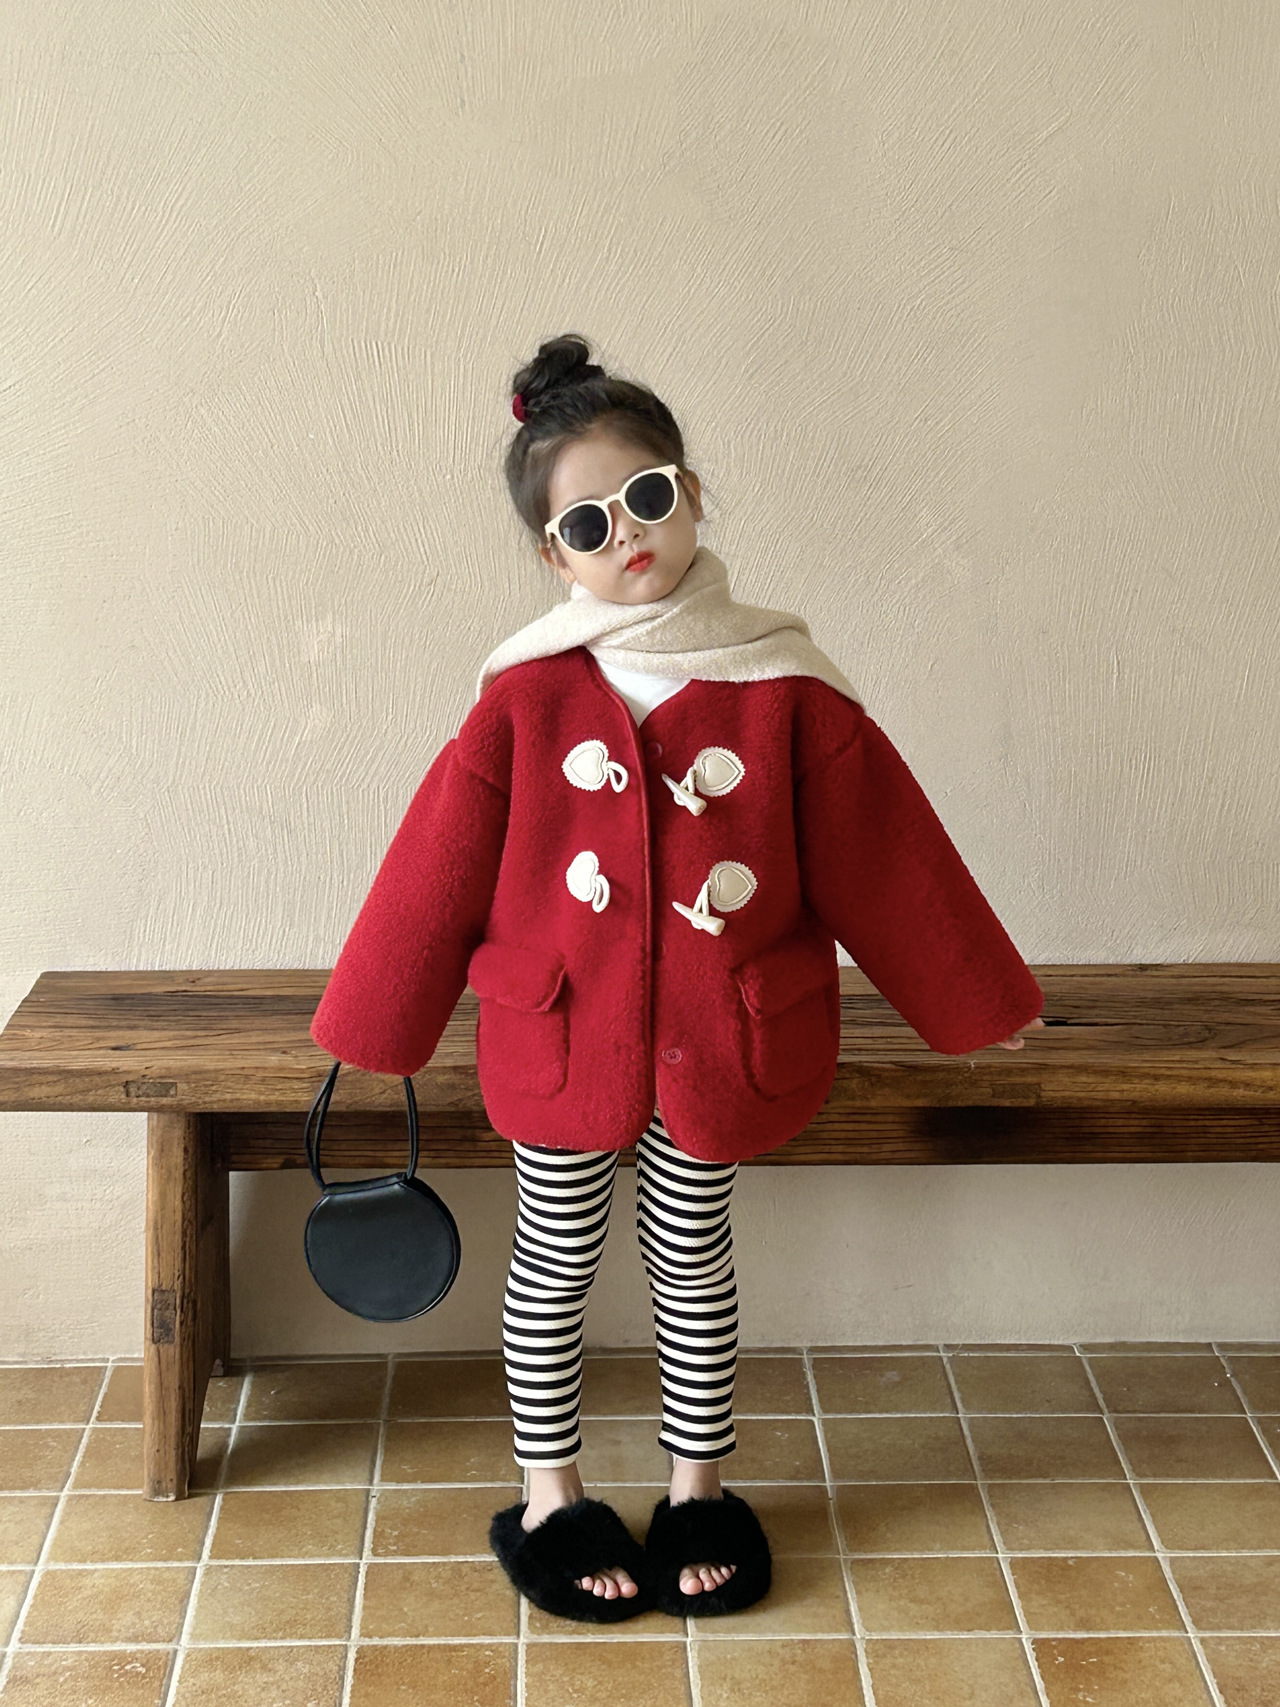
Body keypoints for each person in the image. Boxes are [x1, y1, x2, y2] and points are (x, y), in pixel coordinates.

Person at [309, 332, 1045, 1624]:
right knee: (552, 1263)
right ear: (557, 557)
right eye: (589, 523)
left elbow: (885, 853)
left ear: (694, 493)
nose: (629, 534)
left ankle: (698, 1491)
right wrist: (381, 1016)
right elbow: (439, 859)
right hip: (563, 1040)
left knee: (694, 1259)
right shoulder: (526, 696)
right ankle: (551, 1496)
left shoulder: (782, 684)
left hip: (722, 1040)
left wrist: (973, 998)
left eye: (647, 496)